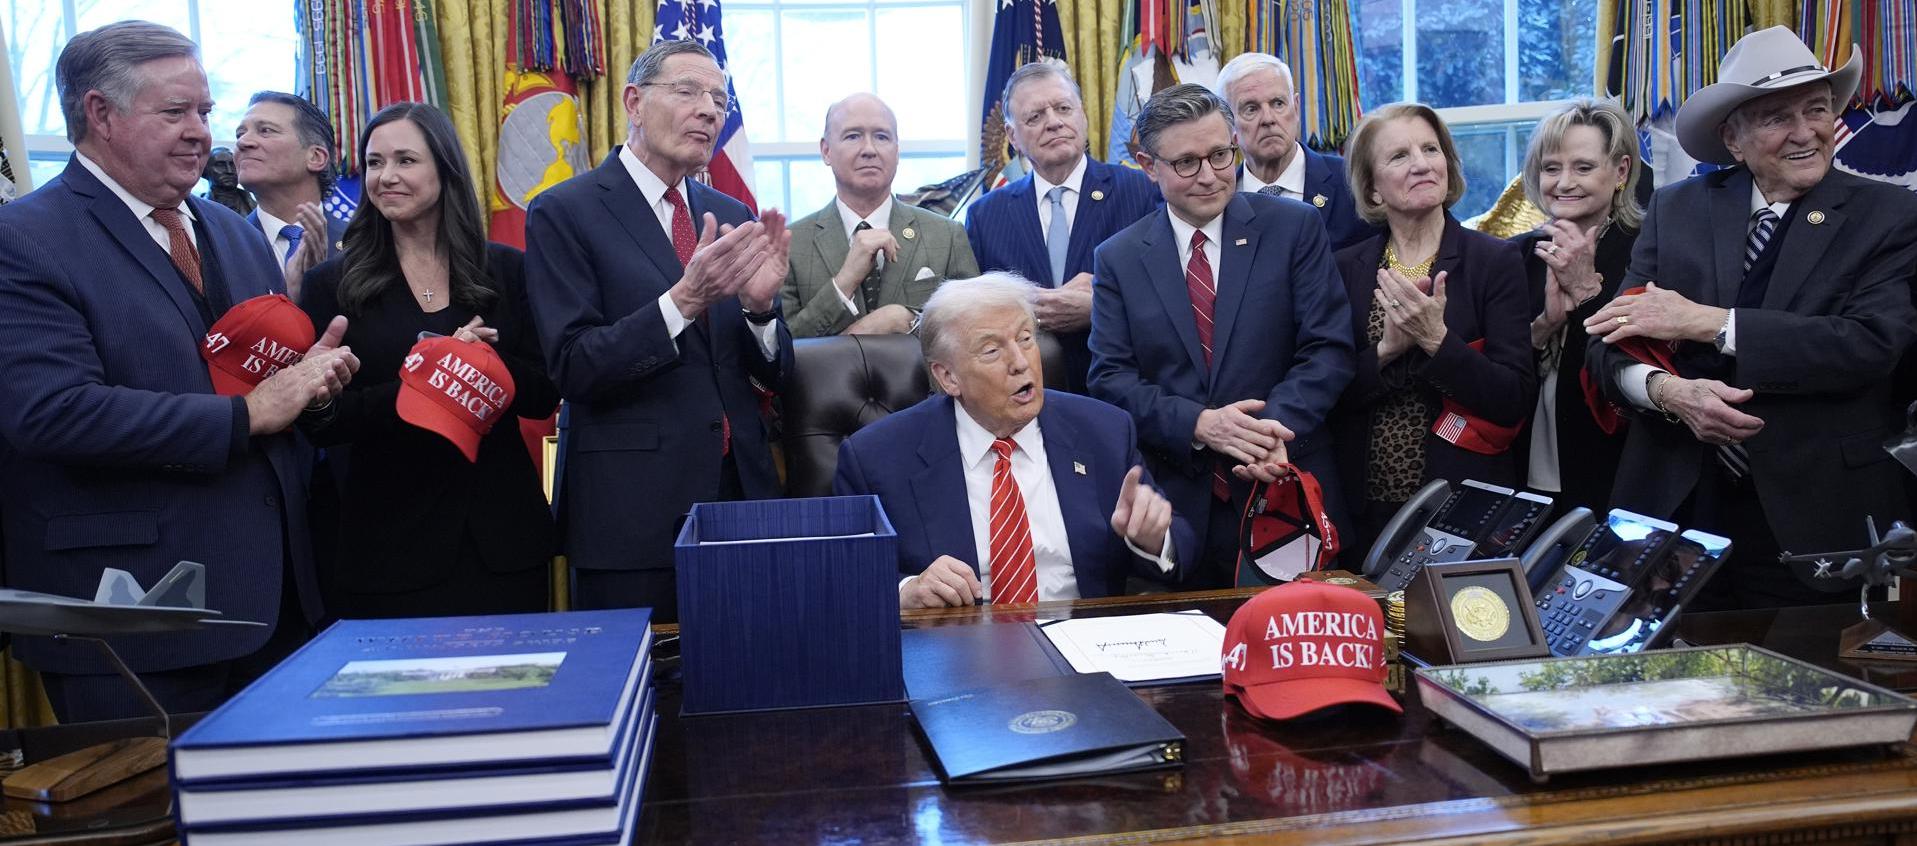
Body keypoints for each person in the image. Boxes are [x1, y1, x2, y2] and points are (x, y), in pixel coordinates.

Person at [0, 21, 358, 721]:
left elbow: (262, 389)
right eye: (175, 112)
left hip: (277, 609)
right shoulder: (24, 239)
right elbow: (51, 412)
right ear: (100, 113)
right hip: (129, 619)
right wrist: (248, 414)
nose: (202, 132)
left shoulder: (231, 231)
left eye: (204, 110)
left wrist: (310, 386)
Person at [1583, 27, 1917, 609]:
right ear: (1732, 139)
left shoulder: (1888, 214)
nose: (1805, 132)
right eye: (1777, 117)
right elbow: (1608, 346)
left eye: (1817, 109)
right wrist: (1667, 392)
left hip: (1817, 519)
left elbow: (1869, 344)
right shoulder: (1677, 208)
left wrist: (1710, 323)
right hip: (1676, 514)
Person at [524, 39, 792, 623]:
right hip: (631, 511)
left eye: (719, 100)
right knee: (645, 677)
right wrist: (683, 301)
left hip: (741, 499)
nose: (709, 111)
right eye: (688, 91)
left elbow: (772, 375)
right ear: (634, 102)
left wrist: (760, 310)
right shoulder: (564, 212)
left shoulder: (732, 215)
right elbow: (573, 364)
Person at [297, 102, 559, 619]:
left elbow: (543, 394)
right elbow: (324, 423)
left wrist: (482, 363)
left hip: (503, 546)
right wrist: (433, 379)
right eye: (374, 163)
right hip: (388, 549)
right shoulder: (331, 284)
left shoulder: (507, 269)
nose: (386, 176)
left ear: (445, 168)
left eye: (405, 160)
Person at [1088, 84, 1355, 586]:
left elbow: (1328, 349)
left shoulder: (1294, 228)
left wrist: (1264, 433)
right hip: (1179, 510)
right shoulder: (1117, 258)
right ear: (1148, 166)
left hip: (1285, 486)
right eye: (1187, 163)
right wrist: (1199, 424)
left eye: (1220, 155)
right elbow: (1110, 378)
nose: (1210, 175)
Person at [833, 274, 1193, 607]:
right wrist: (905, 590)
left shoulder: (1103, 431)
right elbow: (843, 579)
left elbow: (1182, 547)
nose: (1021, 362)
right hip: (958, 645)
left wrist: (1154, 539)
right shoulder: (876, 457)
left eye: (1026, 339)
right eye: (992, 350)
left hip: (1079, 638)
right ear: (948, 377)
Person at [1328, 103, 1534, 558]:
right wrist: (1386, 350)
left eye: (1430, 149)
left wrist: (1435, 341)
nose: (1421, 164)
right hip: (1360, 513)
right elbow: (1328, 394)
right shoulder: (1343, 268)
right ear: (1373, 189)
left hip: (1462, 508)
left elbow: (1513, 397)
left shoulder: (1494, 261)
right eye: (1399, 156)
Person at [964, 60, 1160, 393]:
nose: (1053, 122)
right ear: (1012, 136)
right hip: (1023, 395)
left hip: (1123, 391)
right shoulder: (985, 215)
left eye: (1063, 108)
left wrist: (1100, 307)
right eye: (1035, 117)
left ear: (1083, 116)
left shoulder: (1141, 191)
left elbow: (1172, 296)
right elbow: (975, 316)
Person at [1509, 99, 1641, 516]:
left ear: (1621, 172)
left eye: (1583, 167)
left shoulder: (1649, 250)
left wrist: (1587, 297)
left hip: (1614, 470)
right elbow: (1499, 376)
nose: (1564, 182)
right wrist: (1544, 326)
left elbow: (1636, 366)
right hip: (1523, 466)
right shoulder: (1515, 255)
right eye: (1551, 168)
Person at [780, 93, 978, 338]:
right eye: (853, 136)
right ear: (826, 150)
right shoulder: (790, 243)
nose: (869, 149)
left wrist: (911, 321)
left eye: (882, 137)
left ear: (897, 151)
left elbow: (976, 331)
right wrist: (844, 283)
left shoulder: (946, 236)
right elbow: (783, 348)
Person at [1212, 52, 1374, 251]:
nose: (1268, 119)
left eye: (1278, 104)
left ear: (1296, 108)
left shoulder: (1351, 180)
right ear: (1228, 127)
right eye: (1251, 109)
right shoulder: (1217, 200)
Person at [236, 91, 347, 285]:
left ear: (316, 157)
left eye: (265, 130)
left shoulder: (363, 243)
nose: (243, 142)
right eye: (240, 134)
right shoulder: (223, 246)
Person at [202, 146, 254, 216]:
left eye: (233, 165)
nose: (229, 171)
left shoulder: (255, 206)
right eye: (220, 165)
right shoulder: (200, 208)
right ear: (205, 171)